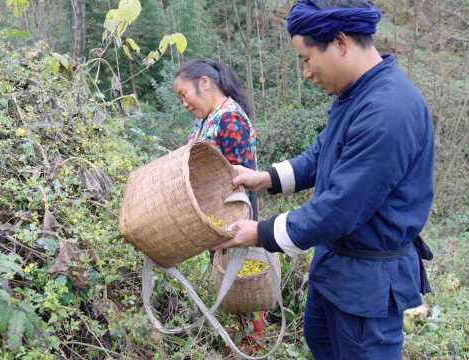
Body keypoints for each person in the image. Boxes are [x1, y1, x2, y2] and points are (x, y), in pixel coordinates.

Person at [212, 1, 435, 359]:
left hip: (367, 288)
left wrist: (260, 232)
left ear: (341, 43)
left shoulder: (388, 110)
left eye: (306, 58)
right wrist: (263, 178)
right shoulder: (356, 95)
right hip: (335, 271)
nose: (306, 72)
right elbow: (322, 154)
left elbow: (341, 207)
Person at [172, 59, 267, 342]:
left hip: (234, 213)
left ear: (204, 82)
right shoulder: (206, 119)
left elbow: (233, 173)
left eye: (183, 94)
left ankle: (253, 342)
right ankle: (237, 336)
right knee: (225, 273)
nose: (184, 104)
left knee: (242, 276)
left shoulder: (229, 117)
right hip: (214, 213)